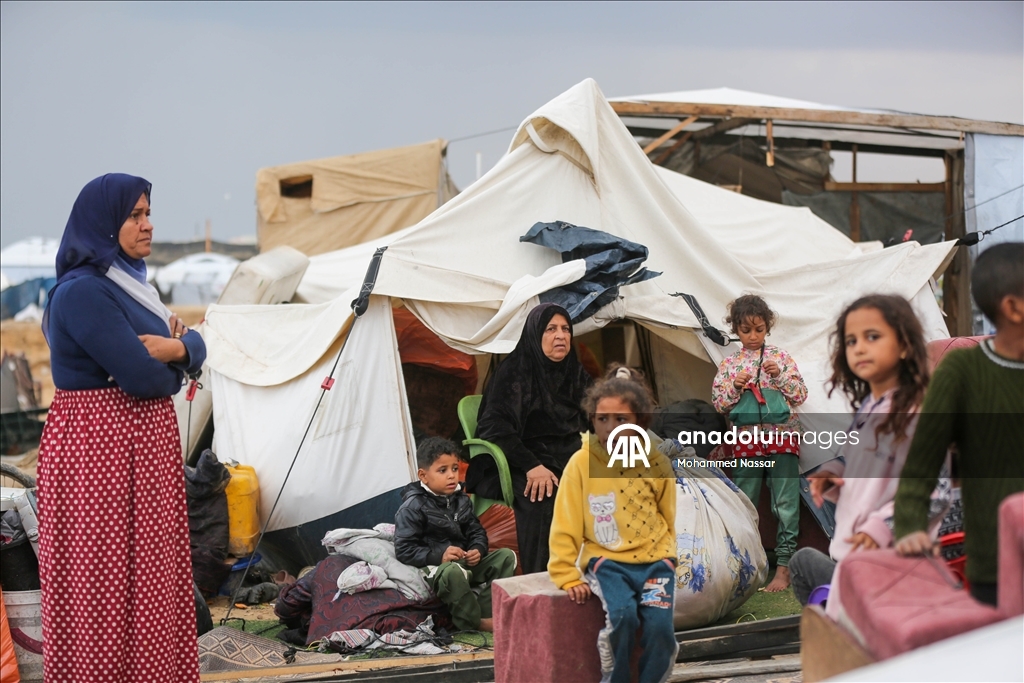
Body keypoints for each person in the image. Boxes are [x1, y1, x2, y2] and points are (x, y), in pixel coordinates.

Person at [37, 174, 206, 682]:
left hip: (135, 449)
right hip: (101, 450)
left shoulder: (130, 286)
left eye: (148, 213)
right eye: (134, 215)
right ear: (104, 223)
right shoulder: (83, 293)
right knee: (106, 577)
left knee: (147, 572)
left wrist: (177, 349)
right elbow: (142, 377)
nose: (147, 224)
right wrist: (176, 362)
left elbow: (186, 346)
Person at [791, 294, 948, 605]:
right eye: (851, 341)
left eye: (872, 337)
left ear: (904, 346)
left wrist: (880, 529)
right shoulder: (870, 411)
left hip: (894, 567)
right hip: (856, 562)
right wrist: (836, 481)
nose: (859, 348)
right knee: (805, 563)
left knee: (802, 565)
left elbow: (935, 490)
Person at [895, 242, 1024, 606]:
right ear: (1013, 308)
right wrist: (909, 528)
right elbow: (922, 460)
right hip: (994, 565)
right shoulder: (962, 370)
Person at [549, 373, 677, 683]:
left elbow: (668, 517)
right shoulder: (581, 462)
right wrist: (566, 574)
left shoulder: (657, 463)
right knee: (623, 618)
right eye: (602, 419)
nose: (610, 427)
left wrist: (670, 559)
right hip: (609, 563)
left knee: (661, 629)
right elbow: (565, 521)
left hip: (656, 564)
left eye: (621, 419)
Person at [466, 303, 592, 574]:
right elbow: (494, 426)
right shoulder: (515, 371)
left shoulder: (574, 372)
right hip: (518, 457)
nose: (560, 336)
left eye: (565, 329)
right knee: (544, 496)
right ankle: (542, 579)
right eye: (551, 329)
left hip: (565, 455)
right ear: (535, 334)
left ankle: (597, 574)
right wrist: (532, 466)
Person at [712, 294, 807, 591]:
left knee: (785, 502)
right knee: (746, 502)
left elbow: (800, 395)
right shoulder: (730, 364)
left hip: (782, 437)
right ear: (735, 330)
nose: (753, 336)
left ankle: (785, 567)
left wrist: (780, 378)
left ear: (768, 327)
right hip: (747, 440)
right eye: (746, 330)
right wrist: (734, 386)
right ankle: (749, 565)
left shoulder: (781, 357)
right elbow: (720, 404)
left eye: (759, 329)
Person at [394, 437, 517, 632]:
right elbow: (404, 549)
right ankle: (472, 623)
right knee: (453, 571)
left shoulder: (461, 499)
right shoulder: (412, 507)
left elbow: (476, 530)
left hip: (464, 561)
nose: (452, 476)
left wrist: (477, 549)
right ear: (423, 475)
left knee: (506, 557)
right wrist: (440, 556)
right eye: (443, 470)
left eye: (455, 468)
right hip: (438, 568)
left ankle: (486, 614)